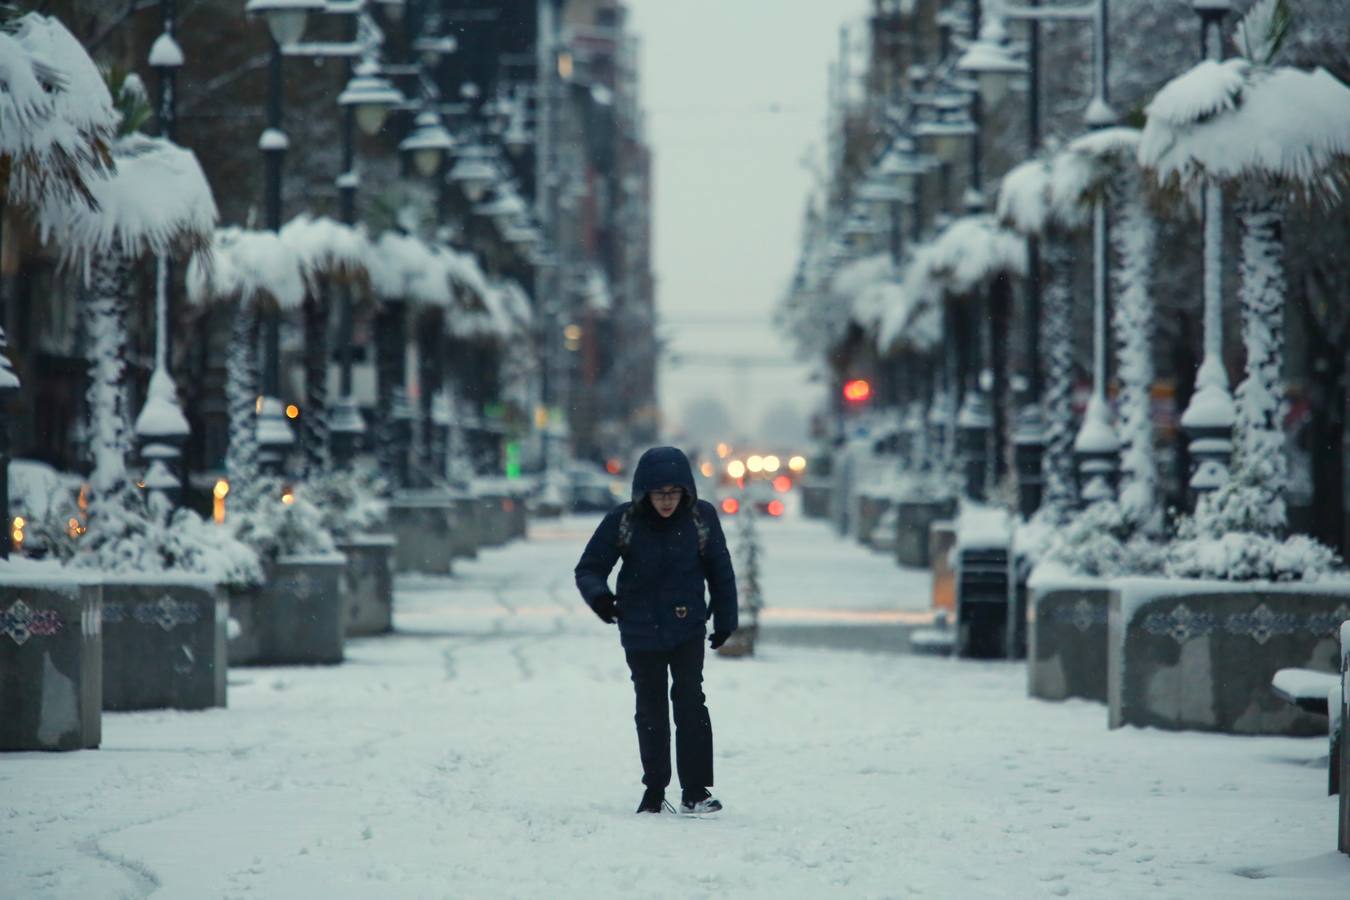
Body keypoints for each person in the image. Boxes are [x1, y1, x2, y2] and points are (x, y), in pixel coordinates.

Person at [574, 446, 738, 815]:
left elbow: (720, 570)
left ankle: (695, 790)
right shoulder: (624, 521)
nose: (667, 501)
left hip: (687, 626)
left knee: (690, 703)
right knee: (650, 710)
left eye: (673, 492)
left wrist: (727, 618)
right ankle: (654, 790)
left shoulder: (701, 518)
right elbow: (588, 568)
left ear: (686, 491)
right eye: (659, 493)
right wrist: (601, 599)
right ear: (643, 492)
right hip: (640, 628)